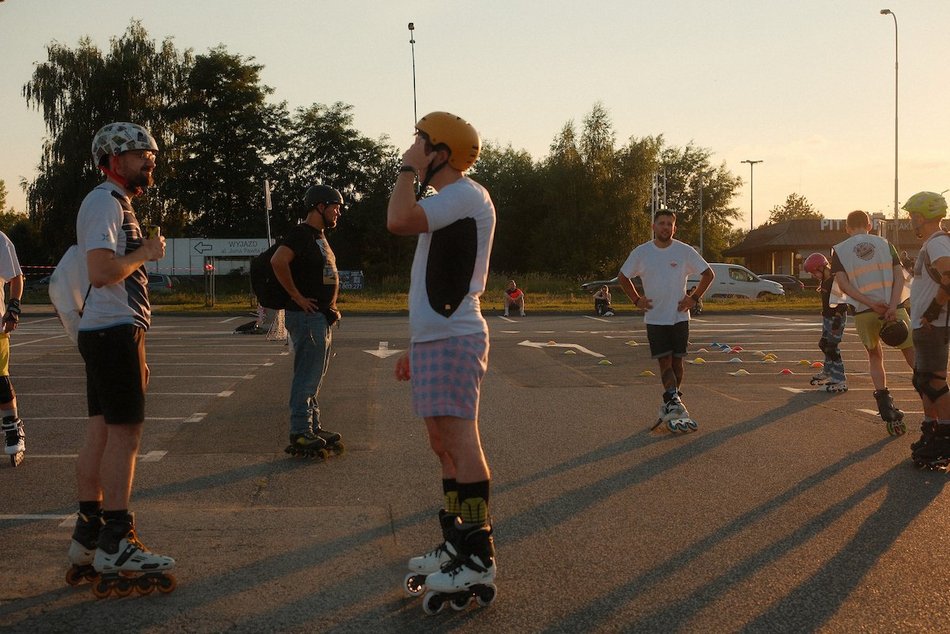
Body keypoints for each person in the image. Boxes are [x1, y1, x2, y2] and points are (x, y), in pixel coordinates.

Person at [387, 111, 497, 606]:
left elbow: (397, 220)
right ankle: (456, 539)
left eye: (420, 142)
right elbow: (426, 274)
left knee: (460, 440)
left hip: (456, 333)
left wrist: (407, 171)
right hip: (435, 337)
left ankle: (478, 555)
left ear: (441, 153)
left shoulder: (465, 195)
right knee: (441, 444)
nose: (412, 148)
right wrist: (416, 342)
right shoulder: (447, 201)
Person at [67, 122, 175, 594]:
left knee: (101, 432)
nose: (149, 159)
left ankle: (88, 536)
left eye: (151, 153)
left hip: (109, 330)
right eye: (138, 154)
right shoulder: (104, 203)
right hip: (112, 330)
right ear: (112, 160)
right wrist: (147, 252)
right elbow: (102, 270)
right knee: (126, 436)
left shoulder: (114, 203)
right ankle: (117, 538)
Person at [618, 210, 714, 432]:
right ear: (653, 227)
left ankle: (672, 403)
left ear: (674, 228)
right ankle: (674, 402)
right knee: (665, 362)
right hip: (655, 318)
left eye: (669, 224)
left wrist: (694, 298)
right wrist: (636, 299)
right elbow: (623, 277)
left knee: (678, 362)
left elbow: (708, 274)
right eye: (661, 223)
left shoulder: (684, 251)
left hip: (679, 317)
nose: (665, 227)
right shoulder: (642, 252)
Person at [270, 184, 344, 457]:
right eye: (335, 207)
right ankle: (301, 432)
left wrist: (331, 306)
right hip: (306, 316)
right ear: (319, 207)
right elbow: (279, 261)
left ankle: (313, 427)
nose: (338, 212)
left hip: (321, 316)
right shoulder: (301, 234)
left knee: (315, 376)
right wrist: (297, 296)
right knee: (307, 375)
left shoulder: (319, 236)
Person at [830, 209, 914, 429]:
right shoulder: (886, 245)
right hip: (894, 308)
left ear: (847, 228)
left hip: (864, 312)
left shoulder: (839, 250)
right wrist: (893, 306)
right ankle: (933, 398)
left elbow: (844, 284)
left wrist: (869, 303)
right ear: (869, 225)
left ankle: (885, 406)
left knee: (875, 356)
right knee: (912, 354)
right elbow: (899, 276)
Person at [902, 192, 950, 466]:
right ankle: (931, 432)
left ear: (920, 217)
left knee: (935, 383)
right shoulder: (934, 243)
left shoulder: (938, 243)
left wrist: (933, 310)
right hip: (926, 324)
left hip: (934, 325)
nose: (911, 221)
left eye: (911, 216)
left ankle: (944, 438)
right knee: (923, 381)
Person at [802, 253, 848, 393]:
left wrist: (838, 320)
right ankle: (828, 372)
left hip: (836, 318)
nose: (814, 275)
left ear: (822, 268)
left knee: (832, 348)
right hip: (828, 318)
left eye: (814, 272)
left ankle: (840, 379)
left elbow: (842, 301)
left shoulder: (835, 280)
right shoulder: (825, 281)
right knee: (824, 344)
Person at [0, 231, 25, 464]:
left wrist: (13, 308)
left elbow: (16, 277)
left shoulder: (0, 240)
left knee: (0, 380)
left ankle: (12, 430)